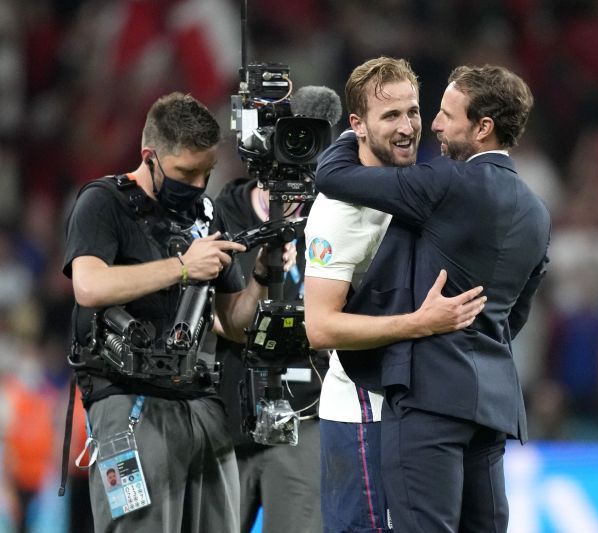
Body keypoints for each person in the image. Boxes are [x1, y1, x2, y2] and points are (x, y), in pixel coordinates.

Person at [314, 64, 551, 532]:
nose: (432, 126)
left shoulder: (446, 184)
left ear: (483, 127)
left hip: (429, 399)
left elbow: (332, 174)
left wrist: (351, 128)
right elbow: (513, 316)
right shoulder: (537, 212)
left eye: (441, 114)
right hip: (492, 407)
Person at [63, 92, 292, 532]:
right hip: (128, 405)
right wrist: (184, 267)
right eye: (185, 172)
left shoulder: (206, 215)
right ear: (150, 156)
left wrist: (262, 275)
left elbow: (233, 324)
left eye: (206, 172)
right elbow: (89, 285)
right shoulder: (103, 202)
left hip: (201, 404)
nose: (198, 184)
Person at [303, 57, 485, 533]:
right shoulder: (336, 214)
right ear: (357, 126)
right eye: (391, 116)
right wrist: (420, 323)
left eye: (413, 112)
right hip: (361, 414)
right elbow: (320, 327)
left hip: (416, 410)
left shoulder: (417, 187)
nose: (408, 128)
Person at [214, 177, 324, 533]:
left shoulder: (330, 217)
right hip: (228, 414)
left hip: (305, 419)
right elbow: (211, 316)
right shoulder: (220, 217)